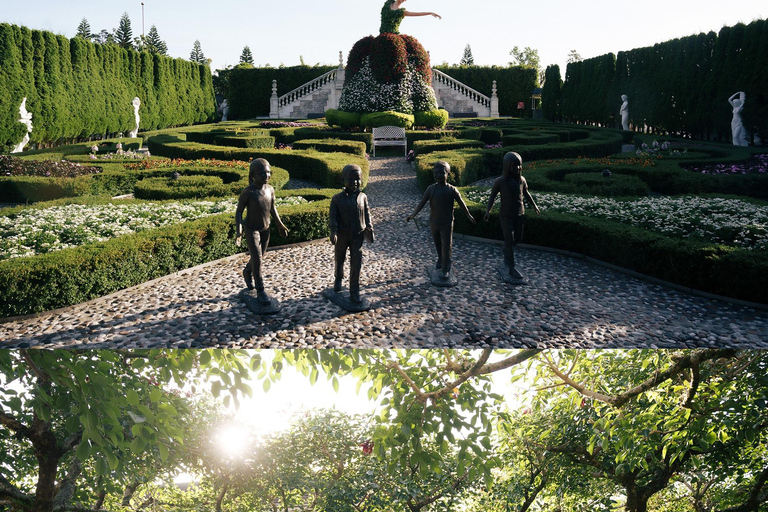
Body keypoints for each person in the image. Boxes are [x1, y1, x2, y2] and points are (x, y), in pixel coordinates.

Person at [407, 161, 475, 280]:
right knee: (437, 243)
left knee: (446, 246)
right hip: (434, 222)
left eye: (441, 173)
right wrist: (413, 215)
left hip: (447, 223)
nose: (438, 175)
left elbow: (462, 204)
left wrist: (468, 215)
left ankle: (446, 268)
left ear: (448, 174)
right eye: (436, 173)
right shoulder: (431, 189)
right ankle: (440, 259)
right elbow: (422, 203)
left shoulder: (452, 190)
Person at [235, 158, 289, 304]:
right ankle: (260, 290)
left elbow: (272, 208)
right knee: (257, 259)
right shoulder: (248, 192)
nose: (267, 176)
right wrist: (239, 230)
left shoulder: (270, 189)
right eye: (262, 173)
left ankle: (247, 271)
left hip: (266, 228)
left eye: (268, 172)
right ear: (253, 175)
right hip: (251, 228)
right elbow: (239, 211)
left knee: (260, 256)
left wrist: (280, 225)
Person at [484, 152, 540, 280]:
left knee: (518, 239)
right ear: (507, 167)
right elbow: (492, 197)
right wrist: (488, 211)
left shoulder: (522, 180)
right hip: (505, 215)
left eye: (519, 165)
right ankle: (511, 266)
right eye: (514, 166)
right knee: (509, 241)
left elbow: (526, 194)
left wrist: (534, 205)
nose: (518, 168)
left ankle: (507, 250)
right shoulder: (500, 182)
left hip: (519, 214)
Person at [330, 164, 374, 304]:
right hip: (342, 235)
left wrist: (370, 228)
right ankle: (338, 278)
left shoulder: (363, 197)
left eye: (357, 179)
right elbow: (333, 217)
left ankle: (354, 291)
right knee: (339, 259)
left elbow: (367, 214)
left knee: (356, 263)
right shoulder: (337, 199)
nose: (354, 182)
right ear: (343, 179)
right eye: (350, 179)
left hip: (357, 235)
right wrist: (333, 232)